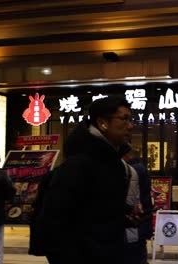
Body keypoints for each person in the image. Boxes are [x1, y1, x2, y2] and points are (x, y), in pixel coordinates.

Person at [38, 96, 135, 264]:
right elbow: (55, 222)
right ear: (102, 123)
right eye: (124, 119)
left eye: (131, 119)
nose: (130, 126)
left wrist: (126, 215)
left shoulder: (116, 164)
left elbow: (97, 213)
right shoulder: (79, 165)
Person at [123, 147, 154, 264]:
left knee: (136, 253)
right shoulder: (142, 168)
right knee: (140, 251)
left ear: (127, 156)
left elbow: (131, 198)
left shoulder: (131, 170)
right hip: (143, 218)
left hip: (136, 220)